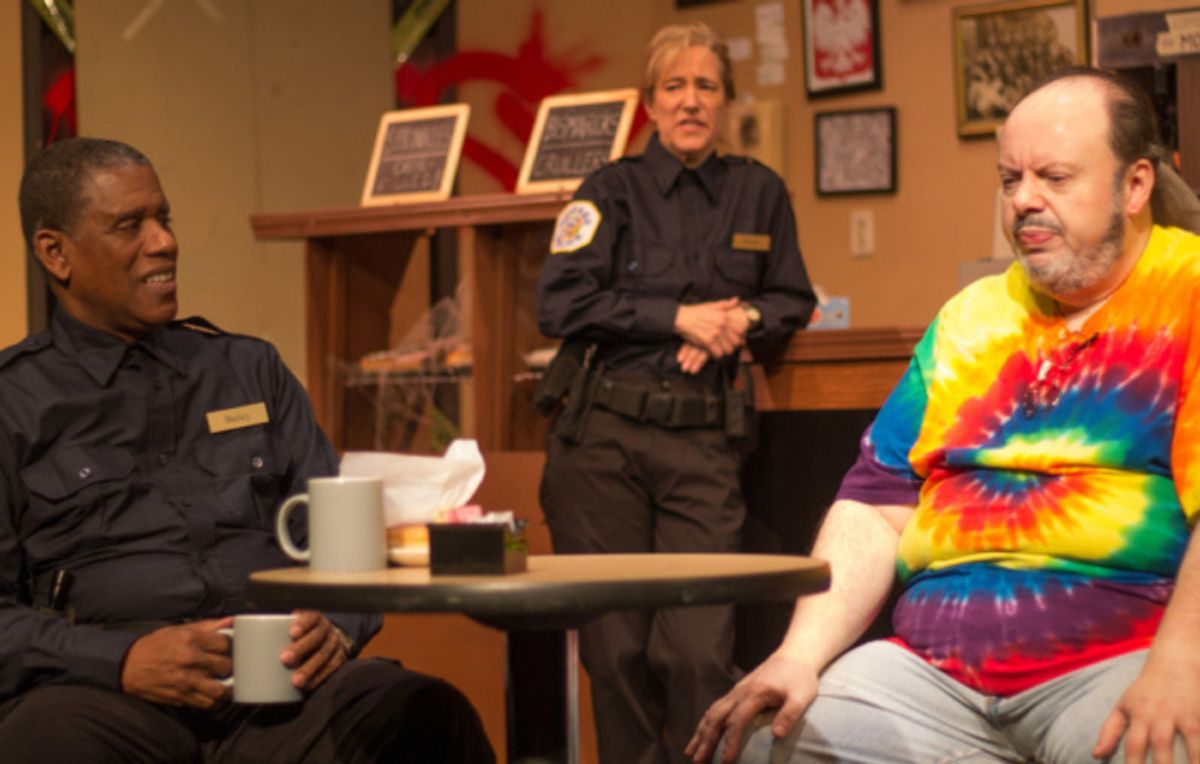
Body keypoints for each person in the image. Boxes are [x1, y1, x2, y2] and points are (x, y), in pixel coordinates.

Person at [686, 66, 1200, 764]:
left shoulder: (1188, 293)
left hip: (1118, 660)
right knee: (760, 740)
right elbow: (876, 508)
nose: (1024, 200)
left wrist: (1182, 665)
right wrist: (797, 655)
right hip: (931, 676)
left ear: (1135, 185)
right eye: (1010, 179)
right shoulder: (970, 317)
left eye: (1054, 177)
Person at [0, 137, 495, 763]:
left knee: (423, 711)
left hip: (278, 691)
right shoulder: (14, 401)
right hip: (105, 697)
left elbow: (342, 543)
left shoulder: (249, 369)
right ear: (56, 253)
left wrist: (339, 624)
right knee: (46, 741)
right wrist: (122, 660)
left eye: (164, 218)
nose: (164, 241)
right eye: (129, 225)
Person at [535, 21, 815, 764]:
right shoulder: (608, 191)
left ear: (724, 101)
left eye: (706, 86)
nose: (691, 101)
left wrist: (738, 319)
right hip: (603, 443)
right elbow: (559, 303)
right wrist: (677, 318)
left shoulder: (758, 192)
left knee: (696, 651)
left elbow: (792, 298)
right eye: (675, 86)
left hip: (702, 445)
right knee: (617, 652)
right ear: (651, 102)